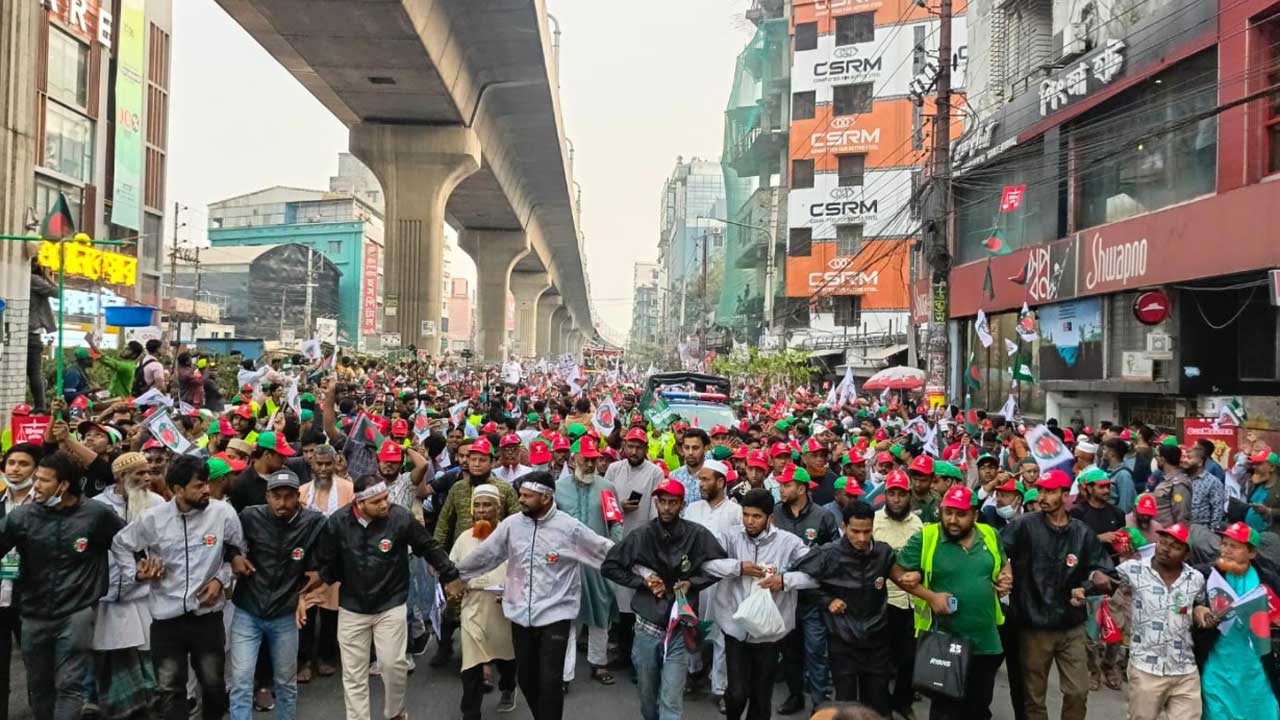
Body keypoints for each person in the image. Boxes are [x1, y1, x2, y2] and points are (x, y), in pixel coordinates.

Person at [455, 471, 616, 720]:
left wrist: (645, 573)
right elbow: (486, 555)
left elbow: (605, 551)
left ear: (546, 498)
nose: (520, 500)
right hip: (520, 615)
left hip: (556, 615)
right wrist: (454, 574)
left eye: (527, 496)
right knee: (526, 679)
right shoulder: (512, 525)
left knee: (551, 681)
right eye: (520, 495)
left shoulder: (569, 528)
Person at [315, 472, 463, 720]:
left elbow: (427, 545)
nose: (385, 504)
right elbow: (326, 561)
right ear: (360, 503)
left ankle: (395, 713)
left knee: (393, 665)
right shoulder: (338, 522)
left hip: (391, 603)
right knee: (353, 673)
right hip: (352, 606)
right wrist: (312, 588)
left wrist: (451, 575)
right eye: (377, 501)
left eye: (386, 497)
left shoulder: (400, 518)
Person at [111, 454, 244, 720]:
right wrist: (136, 572)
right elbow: (121, 544)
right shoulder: (153, 518)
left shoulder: (223, 513)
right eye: (198, 486)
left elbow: (237, 552)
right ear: (178, 490)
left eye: (206, 483)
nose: (206, 490)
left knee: (214, 685)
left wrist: (220, 580)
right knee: (170, 689)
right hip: (166, 620)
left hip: (207, 617)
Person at [0, 451, 124, 720]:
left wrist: (144, 564)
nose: (36, 486)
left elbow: (128, 542)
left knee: (70, 685)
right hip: (33, 614)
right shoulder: (22, 517)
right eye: (36, 479)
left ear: (64, 485)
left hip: (76, 613)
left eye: (44, 480)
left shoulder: (96, 515)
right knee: (39, 686)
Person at [601, 478, 728, 720]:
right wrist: (643, 582)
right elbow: (610, 566)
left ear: (682, 504)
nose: (667, 508)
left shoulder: (697, 534)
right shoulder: (642, 535)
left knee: (671, 699)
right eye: (662, 502)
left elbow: (720, 566)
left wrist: (692, 583)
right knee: (647, 696)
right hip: (647, 626)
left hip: (680, 627)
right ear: (656, 503)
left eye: (673, 502)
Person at [1002, 468, 1115, 720]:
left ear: (1065, 495)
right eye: (1040, 491)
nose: (1042, 497)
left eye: (1050, 491)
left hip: (1071, 626)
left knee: (1078, 691)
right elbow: (996, 551)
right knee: (1034, 697)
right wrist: (1005, 569)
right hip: (1033, 625)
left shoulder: (1082, 533)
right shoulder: (1023, 526)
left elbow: (1105, 572)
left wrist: (1088, 585)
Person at [894, 485, 1012, 720]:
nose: (952, 520)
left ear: (974, 515)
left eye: (960, 514)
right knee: (945, 711)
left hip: (985, 641)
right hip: (946, 641)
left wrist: (1006, 577)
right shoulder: (927, 537)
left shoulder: (990, 534)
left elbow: (1003, 563)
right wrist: (930, 596)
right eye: (948, 512)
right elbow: (896, 570)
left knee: (978, 709)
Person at [703, 489, 815, 720]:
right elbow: (706, 563)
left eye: (756, 516)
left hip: (769, 634)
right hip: (735, 627)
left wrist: (784, 581)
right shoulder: (730, 537)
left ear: (770, 518)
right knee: (737, 692)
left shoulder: (789, 542)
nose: (750, 521)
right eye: (746, 515)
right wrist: (737, 568)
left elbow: (815, 575)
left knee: (761, 696)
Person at [226, 468, 326, 720]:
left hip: (285, 614)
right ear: (267, 496)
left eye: (288, 496)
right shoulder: (250, 516)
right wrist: (234, 556)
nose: (282, 503)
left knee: (285, 683)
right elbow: (227, 540)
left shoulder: (314, 523)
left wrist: (314, 579)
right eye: (276, 496)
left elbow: (328, 557)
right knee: (241, 681)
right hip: (248, 610)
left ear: (298, 496)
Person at [791, 501, 904, 717]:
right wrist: (827, 600)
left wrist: (913, 577)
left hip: (877, 641)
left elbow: (901, 575)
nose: (861, 538)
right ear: (844, 526)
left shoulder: (883, 553)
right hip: (842, 642)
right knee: (846, 708)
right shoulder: (827, 554)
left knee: (878, 707)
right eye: (855, 531)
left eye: (867, 531)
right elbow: (798, 581)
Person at [90, 452, 165, 720]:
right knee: (116, 666)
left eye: (148, 472)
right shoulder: (97, 507)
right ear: (121, 477)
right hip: (109, 599)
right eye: (139, 473)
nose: (147, 478)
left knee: (150, 667)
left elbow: (163, 546)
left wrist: (154, 568)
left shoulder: (157, 504)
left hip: (147, 597)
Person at [1112, 523, 1207, 720]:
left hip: (1185, 670)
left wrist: (1201, 611)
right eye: (1163, 542)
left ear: (1187, 554)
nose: (1165, 549)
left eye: (1175, 547)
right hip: (1146, 669)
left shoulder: (1196, 579)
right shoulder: (1133, 569)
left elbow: (1198, 604)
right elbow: (1105, 580)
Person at [554, 441, 624, 688]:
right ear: (574, 459)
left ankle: (598, 663)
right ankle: (564, 674)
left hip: (597, 560)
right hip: (566, 561)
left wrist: (614, 550)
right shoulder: (558, 488)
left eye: (595, 459)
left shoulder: (607, 488)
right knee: (566, 616)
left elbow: (616, 522)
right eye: (586, 459)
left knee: (600, 611)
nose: (591, 463)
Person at [1196, 521, 1280, 720]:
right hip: (1218, 664)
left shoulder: (1269, 580)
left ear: (1251, 553)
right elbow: (1188, 603)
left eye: (1234, 546)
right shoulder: (1206, 575)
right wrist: (1198, 610)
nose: (1226, 550)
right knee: (1216, 711)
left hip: (1255, 669)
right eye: (1224, 544)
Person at [449, 484, 518, 720]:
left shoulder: (511, 537)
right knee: (471, 667)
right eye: (477, 506)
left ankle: (508, 687)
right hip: (473, 608)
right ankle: (471, 713)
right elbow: (452, 572)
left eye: (487, 505)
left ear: (498, 508)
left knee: (506, 659)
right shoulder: (463, 539)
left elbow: (523, 573)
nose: (481, 510)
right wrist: (453, 588)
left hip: (503, 610)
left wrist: (512, 593)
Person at [773, 463, 838, 715]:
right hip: (783, 596)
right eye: (781, 484)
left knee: (816, 651)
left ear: (801, 489)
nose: (781, 489)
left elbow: (834, 553)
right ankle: (795, 696)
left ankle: (820, 702)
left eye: (787, 485)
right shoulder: (775, 513)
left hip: (813, 598)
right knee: (789, 651)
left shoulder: (823, 516)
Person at [682, 458, 744, 709]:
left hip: (722, 582)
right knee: (690, 627)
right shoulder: (692, 509)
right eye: (700, 479)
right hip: (694, 580)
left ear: (720, 482)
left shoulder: (735, 512)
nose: (701, 483)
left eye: (706, 479)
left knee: (721, 633)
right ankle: (693, 674)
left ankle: (720, 688)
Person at [604, 426, 665, 662]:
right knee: (616, 595)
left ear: (646, 449)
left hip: (641, 543)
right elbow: (605, 501)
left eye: (639, 447)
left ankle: (635, 655)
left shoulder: (655, 473)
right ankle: (620, 648)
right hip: (615, 539)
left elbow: (654, 510)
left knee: (636, 596)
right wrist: (620, 506)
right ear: (624, 447)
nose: (634, 451)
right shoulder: (614, 469)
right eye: (631, 446)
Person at [869, 469, 923, 719]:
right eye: (892, 493)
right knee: (880, 658)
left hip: (911, 601)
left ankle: (902, 701)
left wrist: (919, 575)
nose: (897, 499)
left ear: (909, 495)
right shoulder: (874, 522)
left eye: (902, 494)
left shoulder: (917, 524)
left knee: (909, 658)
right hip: (882, 600)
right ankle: (880, 705)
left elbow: (923, 560)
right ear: (886, 495)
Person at [296, 445, 352, 681]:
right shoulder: (301, 492)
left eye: (328, 464)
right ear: (312, 464)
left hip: (336, 561)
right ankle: (305, 661)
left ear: (335, 463)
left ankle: (326, 657)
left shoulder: (348, 489)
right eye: (319, 464)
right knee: (306, 613)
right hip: (308, 562)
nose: (323, 469)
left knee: (331, 613)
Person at [0, 442, 40, 720]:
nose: (15, 469)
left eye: (23, 464)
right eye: (11, 463)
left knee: (38, 671)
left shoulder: (45, 505)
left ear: (36, 470)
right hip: (1, 597)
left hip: (34, 599)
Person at [1183, 443, 1225, 531]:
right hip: (1181, 529)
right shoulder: (1181, 478)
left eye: (1189, 458)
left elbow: (1217, 510)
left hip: (1201, 530)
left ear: (1200, 462)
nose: (1185, 461)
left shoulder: (1212, 482)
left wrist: (1212, 532)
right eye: (1184, 457)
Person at [1152, 444, 1192, 526]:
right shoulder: (1166, 479)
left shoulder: (1178, 483)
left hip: (1168, 531)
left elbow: (1182, 515)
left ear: (1162, 459)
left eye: (1157, 457)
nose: (1156, 459)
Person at [670, 428, 710, 508]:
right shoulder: (674, 476)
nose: (690, 452)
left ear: (705, 449)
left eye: (695, 448)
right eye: (687, 447)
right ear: (682, 448)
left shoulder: (713, 476)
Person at [1100, 439, 1136, 514]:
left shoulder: (1124, 475)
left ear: (1112, 453)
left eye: (1104, 449)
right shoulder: (1107, 470)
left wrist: (1118, 518)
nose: (1102, 452)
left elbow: (1125, 504)